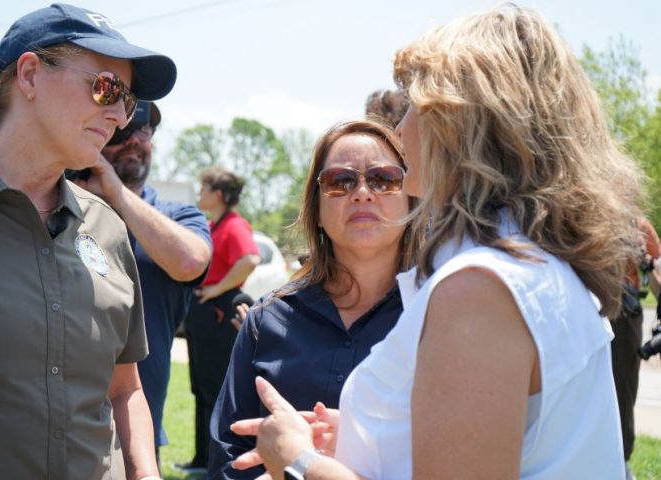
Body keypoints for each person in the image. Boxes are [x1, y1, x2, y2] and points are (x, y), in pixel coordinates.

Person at [230, 5, 642, 479]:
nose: (400, 130)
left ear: (462, 124)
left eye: (414, 107)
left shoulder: (482, 289)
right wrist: (380, 433)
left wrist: (298, 460)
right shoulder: (530, 264)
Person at [0, 4, 177, 479]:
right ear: (29, 75)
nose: (120, 116)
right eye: (107, 87)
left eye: (127, 101)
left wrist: (146, 475)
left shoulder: (106, 229)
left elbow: (124, 388)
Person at [208, 119, 411, 479]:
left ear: (410, 198)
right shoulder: (266, 320)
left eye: (383, 179)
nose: (363, 192)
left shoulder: (436, 318)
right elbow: (228, 458)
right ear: (315, 210)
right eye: (340, 181)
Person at [74, 100, 212, 471]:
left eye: (145, 132)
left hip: (138, 425)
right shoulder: (60, 204)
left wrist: (117, 194)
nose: (136, 141)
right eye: (123, 133)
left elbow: (190, 263)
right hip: (57, 423)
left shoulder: (177, 216)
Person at [178, 166, 261, 474]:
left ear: (220, 194)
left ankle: (216, 463)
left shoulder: (235, 225)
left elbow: (250, 259)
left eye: (204, 188)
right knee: (201, 389)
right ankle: (201, 460)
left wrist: (217, 288)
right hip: (203, 313)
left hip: (219, 313)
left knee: (215, 390)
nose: (199, 193)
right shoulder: (214, 225)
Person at [612, 217, 661, 478]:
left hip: (624, 318)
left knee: (622, 393)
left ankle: (622, 466)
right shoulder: (582, 216)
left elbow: (659, 288)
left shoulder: (639, 228)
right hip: (587, 312)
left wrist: (645, 262)